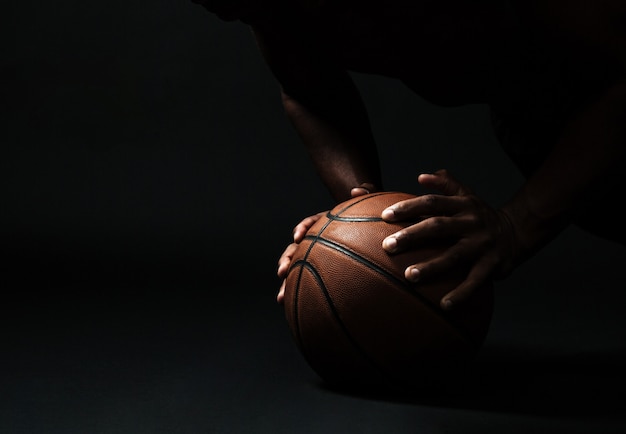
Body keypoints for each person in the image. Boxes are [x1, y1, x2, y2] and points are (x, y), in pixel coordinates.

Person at [192, 0, 626, 310]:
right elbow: (308, 91)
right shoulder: (268, 7)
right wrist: (357, 224)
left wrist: (516, 224)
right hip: (543, 121)